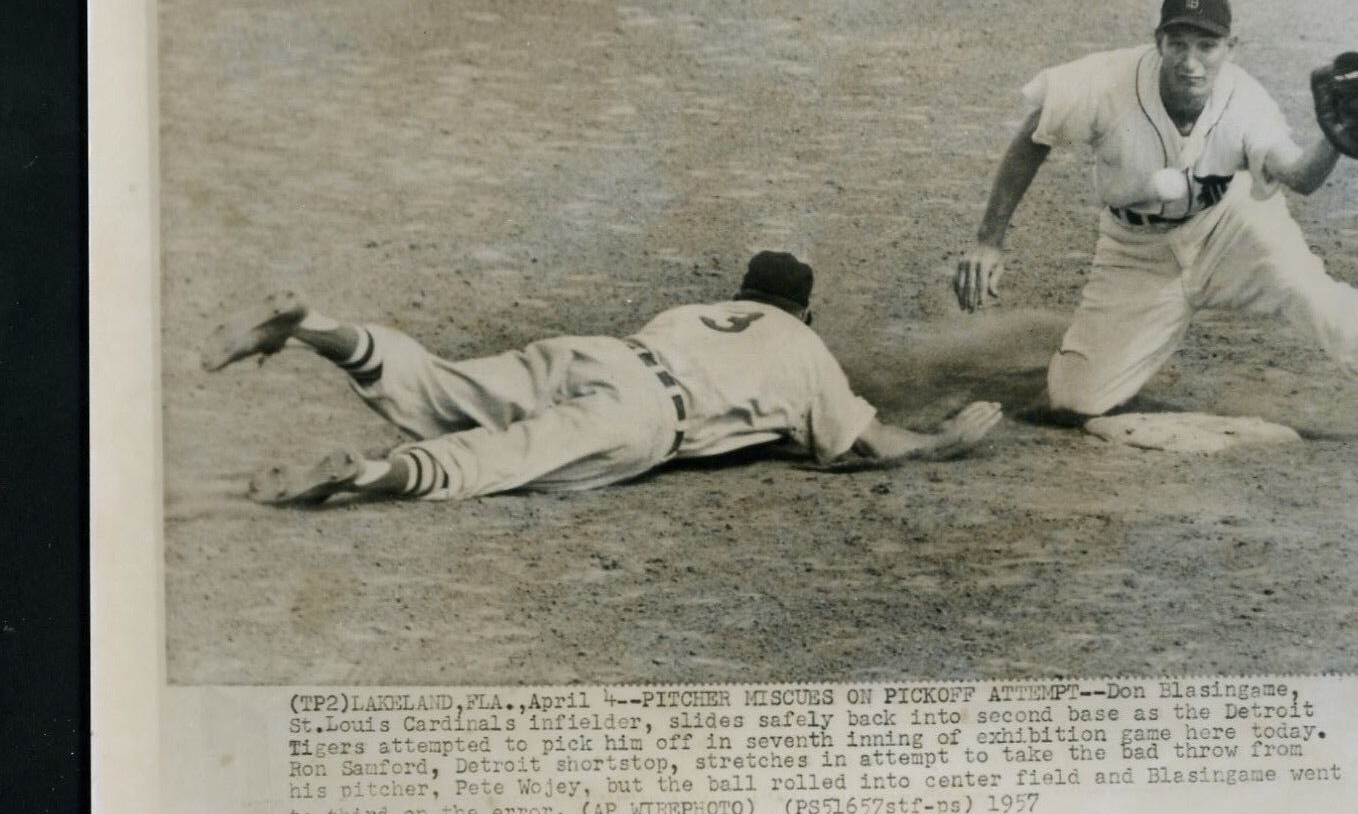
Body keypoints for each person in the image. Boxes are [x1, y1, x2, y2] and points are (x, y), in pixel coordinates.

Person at [952, 0, 1358, 444]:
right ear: (1158, 41)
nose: (1190, 60)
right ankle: (1073, 350)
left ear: (1230, 48)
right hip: (1135, 253)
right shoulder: (1105, 82)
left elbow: (1299, 177)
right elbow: (1032, 136)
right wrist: (989, 239)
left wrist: (1332, 146)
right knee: (1075, 402)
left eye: (1207, 45)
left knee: (1309, 291)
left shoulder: (1245, 100)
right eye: (1177, 43)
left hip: (1231, 226)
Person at [205, 251, 1003, 504]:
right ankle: (366, 473)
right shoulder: (803, 347)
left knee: (440, 387)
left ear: (741, 293)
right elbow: (867, 445)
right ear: (804, 310)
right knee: (503, 459)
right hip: (648, 414)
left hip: (600, 352)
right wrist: (944, 442)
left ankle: (312, 326)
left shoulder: (692, 312)